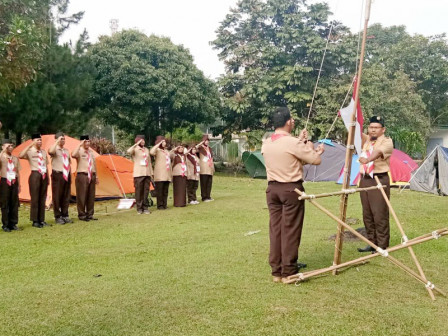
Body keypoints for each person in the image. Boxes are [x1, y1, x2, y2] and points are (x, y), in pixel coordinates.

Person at [261, 107, 325, 283]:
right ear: (288, 122)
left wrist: (300, 142)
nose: (294, 122)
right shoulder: (292, 143)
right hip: (291, 190)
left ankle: (276, 270)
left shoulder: (267, 142)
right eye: (292, 120)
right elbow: (315, 160)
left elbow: (289, 156)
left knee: (276, 229)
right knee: (290, 230)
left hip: (273, 190)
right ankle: (288, 270)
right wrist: (310, 146)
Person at [357, 116, 394, 253]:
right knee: (367, 213)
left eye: (376, 128)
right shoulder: (366, 140)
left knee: (379, 213)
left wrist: (367, 159)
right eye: (371, 127)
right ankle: (371, 242)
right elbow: (355, 133)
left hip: (379, 179)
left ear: (382, 129)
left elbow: (377, 153)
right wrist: (352, 121)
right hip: (365, 179)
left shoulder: (387, 141)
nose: (373, 130)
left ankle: (382, 244)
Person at [19, 133, 49, 228]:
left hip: (44, 174)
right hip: (35, 174)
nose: (39, 141)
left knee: (42, 198)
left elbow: (46, 165)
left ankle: (41, 219)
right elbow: (20, 155)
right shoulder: (30, 151)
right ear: (33, 141)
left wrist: (47, 177)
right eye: (37, 140)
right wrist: (30, 145)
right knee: (35, 198)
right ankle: (35, 220)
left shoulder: (43, 152)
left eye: (40, 140)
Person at [72, 135, 99, 221]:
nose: (87, 143)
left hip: (92, 174)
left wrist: (96, 176)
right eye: (85, 142)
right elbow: (73, 154)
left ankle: (90, 214)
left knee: (91, 196)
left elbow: (94, 164)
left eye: (88, 141)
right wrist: (79, 145)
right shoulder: (79, 151)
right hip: (82, 175)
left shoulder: (90, 152)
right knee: (82, 196)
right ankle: (82, 215)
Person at [48, 132, 73, 224]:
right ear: (56, 139)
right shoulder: (54, 149)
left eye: (63, 139)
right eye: (60, 139)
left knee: (66, 196)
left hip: (66, 174)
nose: (62, 140)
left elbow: (69, 162)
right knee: (57, 196)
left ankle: (65, 215)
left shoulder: (66, 150)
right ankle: (57, 216)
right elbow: (50, 152)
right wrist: (56, 142)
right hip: (57, 174)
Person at [127, 135, 153, 214]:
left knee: (146, 191)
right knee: (139, 191)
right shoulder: (135, 149)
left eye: (143, 140)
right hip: (139, 173)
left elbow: (149, 162)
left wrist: (151, 173)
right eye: (141, 140)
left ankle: (145, 207)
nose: (143, 142)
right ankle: (139, 208)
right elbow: (128, 151)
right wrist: (136, 144)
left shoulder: (146, 150)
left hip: (147, 173)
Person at [0, 139, 21, 232]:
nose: (10, 148)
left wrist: (19, 184)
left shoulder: (15, 158)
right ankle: (5, 224)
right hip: (5, 181)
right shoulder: (1, 157)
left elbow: (18, 172)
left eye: (11, 146)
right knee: (5, 203)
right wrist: (3, 151)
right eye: (7, 146)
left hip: (14, 181)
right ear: (2, 147)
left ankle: (13, 223)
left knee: (14, 202)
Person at [149, 136, 172, 210]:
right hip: (160, 173)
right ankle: (160, 205)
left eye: (164, 142)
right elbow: (151, 152)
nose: (164, 143)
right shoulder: (157, 150)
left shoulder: (166, 151)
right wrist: (158, 144)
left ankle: (164, 204)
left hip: (167, 173)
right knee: (160, 190)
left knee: (165, 190)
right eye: (163, 142)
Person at [196, 135, 214, 202]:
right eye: (205, 141)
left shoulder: (209, 148)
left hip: (210, 167)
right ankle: (204, 197)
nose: (207, 142)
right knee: (204, 183)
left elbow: (211, 158)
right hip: (203, 168)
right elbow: (195, 148)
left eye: (207, 141)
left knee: (209, 183)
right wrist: (200, 143)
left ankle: (208, 196)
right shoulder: (200, 148)